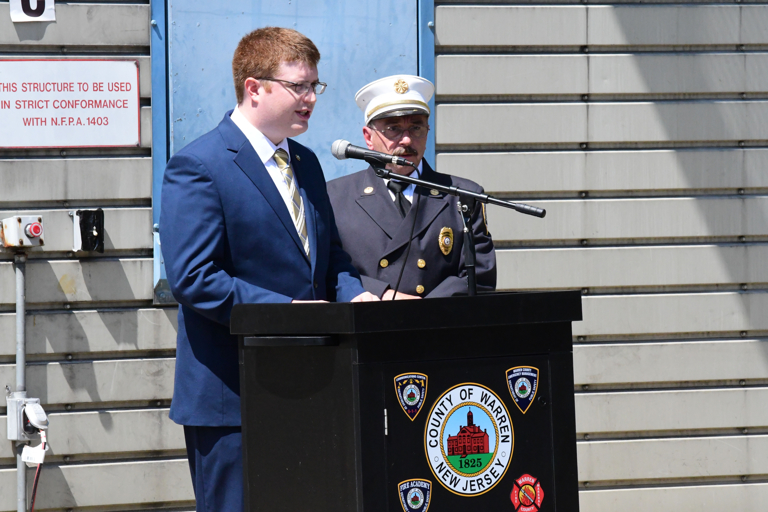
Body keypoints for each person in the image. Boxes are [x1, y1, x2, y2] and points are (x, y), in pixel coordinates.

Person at [159, 27, 377, 512]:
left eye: (315, 86)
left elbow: (330, 258)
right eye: (298, 86)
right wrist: (288, 312)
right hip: (233, 398)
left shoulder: (306, 163)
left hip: (315, 386)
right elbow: (194, 278)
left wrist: (355, 295)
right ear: (254, 88)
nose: (311, 98)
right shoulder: (199, 165)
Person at [327, 75, 496, 299]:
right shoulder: (335, 197)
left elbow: (479, 276)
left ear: (427, 131)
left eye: (416, 128)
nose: (406, 140)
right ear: (368, 137)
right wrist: (384, 294)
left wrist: (421, 311)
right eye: (393, 129)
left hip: (440, 318)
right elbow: (329, 270)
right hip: (370, 317)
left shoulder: (462, 195)